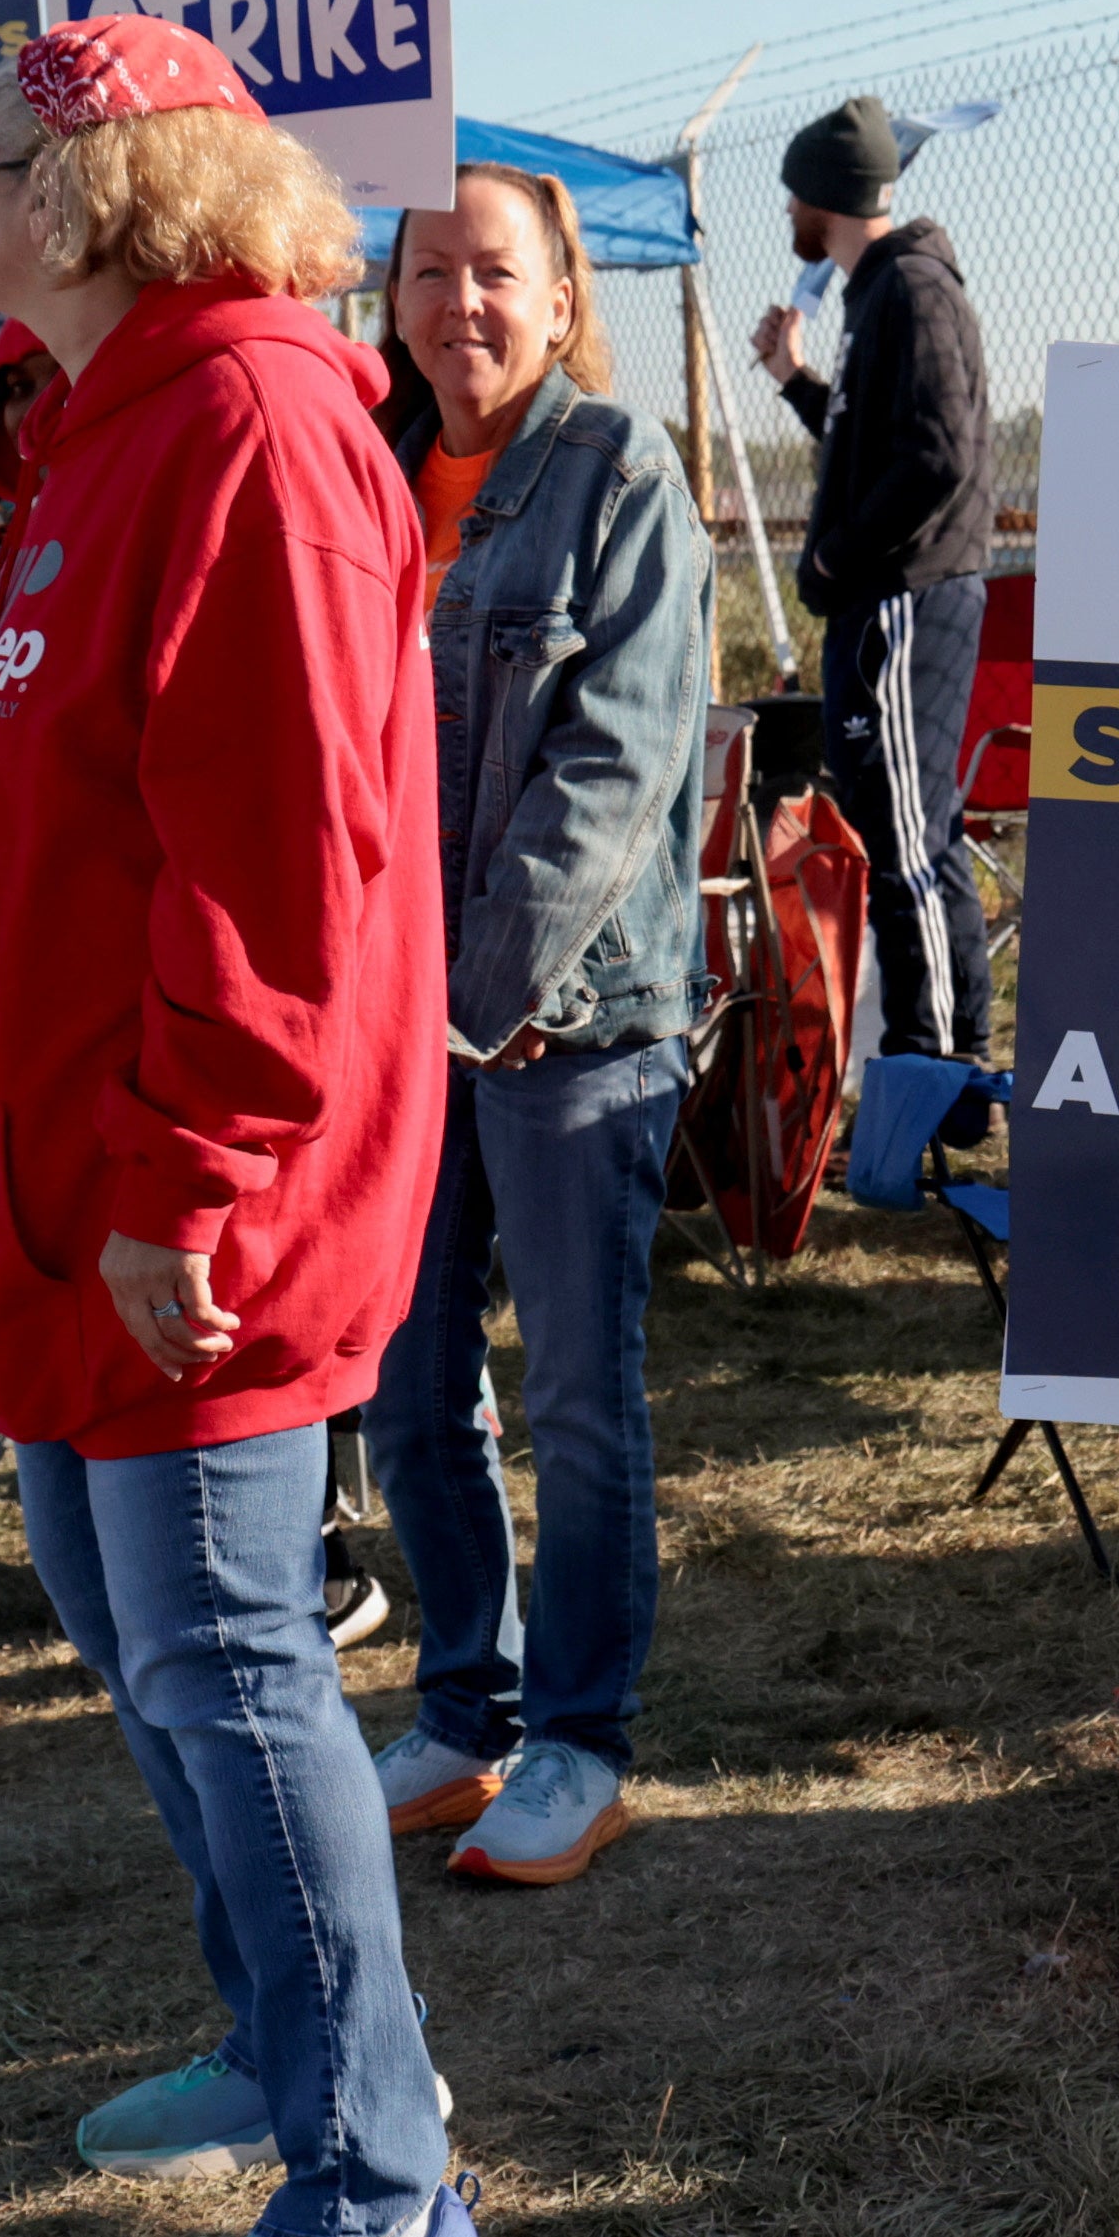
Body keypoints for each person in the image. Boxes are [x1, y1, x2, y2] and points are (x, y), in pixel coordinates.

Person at [0, 16, 491, 2237]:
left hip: (183, 1193)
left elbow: (280, 856)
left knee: (228, 1658)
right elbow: (46, 803)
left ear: (90, 189)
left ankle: (382, 2198)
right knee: (134, 1630)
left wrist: (191, 1167)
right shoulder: (97, 441)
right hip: (65, 1182)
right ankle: (287, 2048)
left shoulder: (251, 425)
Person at [353, 166, 717, 1889]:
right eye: (433, 273)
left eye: (496, 273)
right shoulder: (362, 472)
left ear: (562, 296)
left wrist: (457, 995)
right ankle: (463, 1711)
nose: (461, 306)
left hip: (567, 1024)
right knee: (405, 1390)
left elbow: (615, 773)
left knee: (578, 1403)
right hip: (386, 1025)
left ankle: (579, 1742)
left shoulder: (616, 473)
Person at [751, 96, 995, 1069]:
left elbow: (937, 457)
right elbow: (874, 451)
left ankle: (927, 1065)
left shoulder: (914, 292)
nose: (787, 217)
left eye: (793, 198)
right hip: (883, 601)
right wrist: (793, 380)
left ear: (828, 196)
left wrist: (832, 558)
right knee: (911, 843)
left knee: (904, 853)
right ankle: (944, 1059)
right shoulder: (879, 295)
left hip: (901, 601)